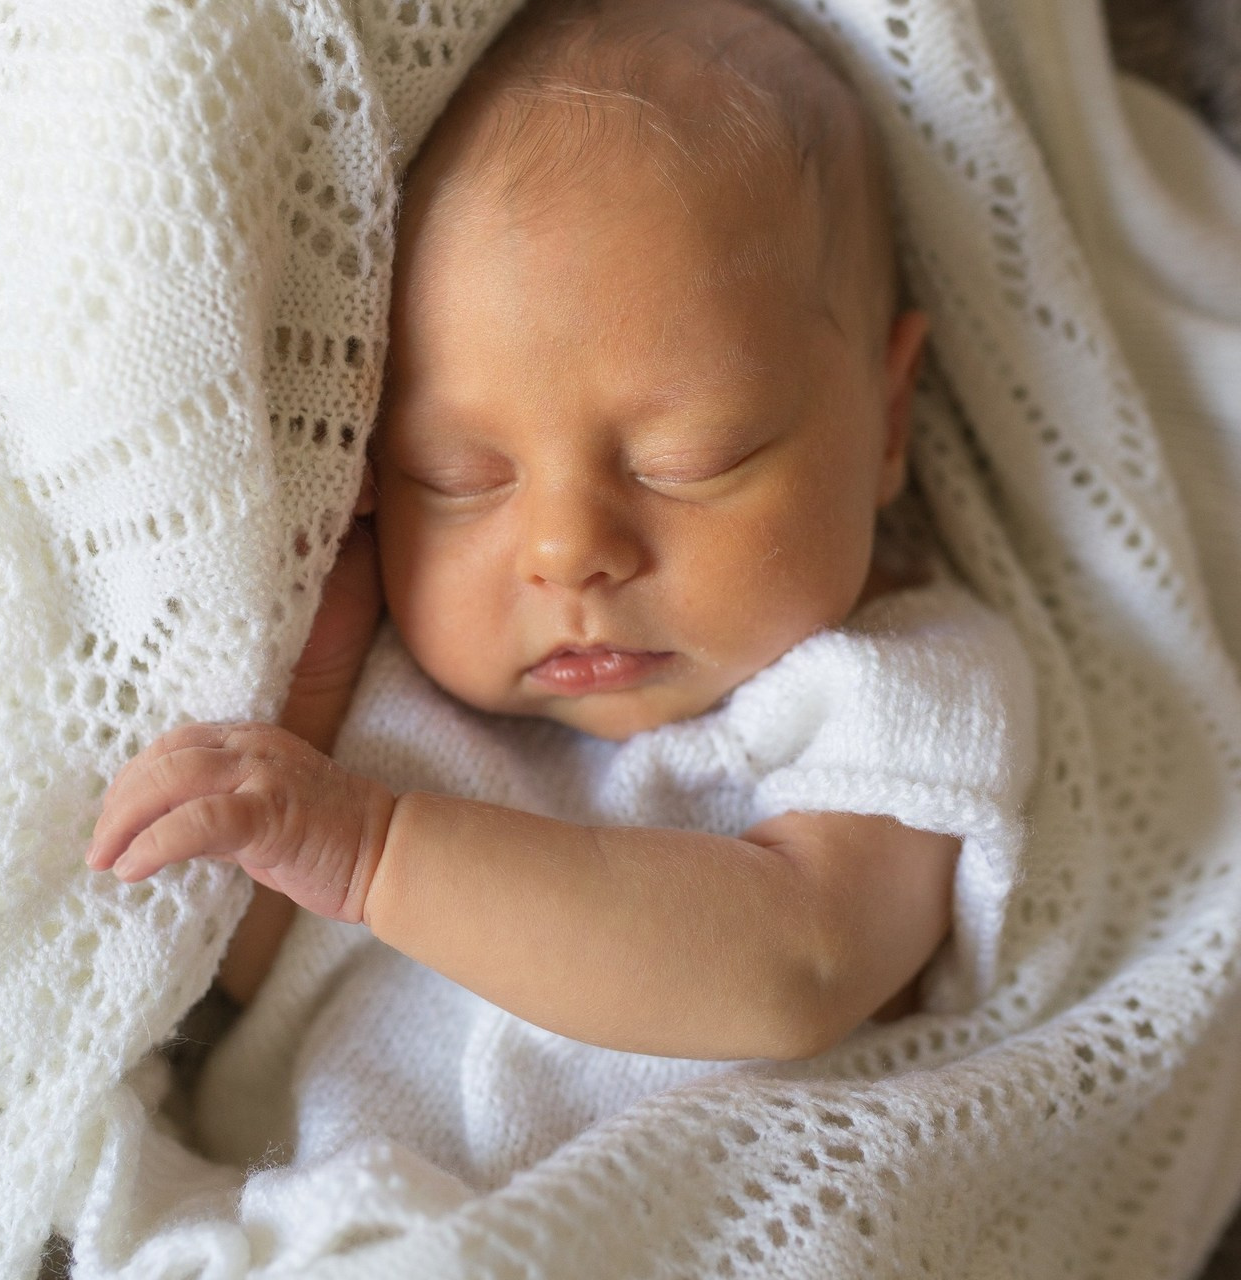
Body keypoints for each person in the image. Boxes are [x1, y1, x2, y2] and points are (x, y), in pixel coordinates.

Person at [86, 0, 1034, 1173]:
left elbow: (798, 965)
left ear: (886, 417)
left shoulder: (898, 689)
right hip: (343, 1203)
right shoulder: (396, 699)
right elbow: (265, 968)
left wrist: (374, 853)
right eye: (458, 478)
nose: (566, 550)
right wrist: (317, 683)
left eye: (689, 459)